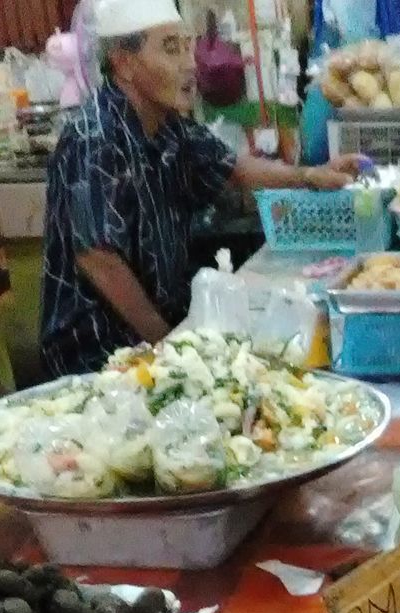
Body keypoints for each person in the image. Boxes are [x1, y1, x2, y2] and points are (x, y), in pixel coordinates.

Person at [41, 0, 364, 377]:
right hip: (95, 355)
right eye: (170, 48)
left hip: (152, 340)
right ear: (124, 63)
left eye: (186, 46)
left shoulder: (166, 123)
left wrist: (312, 176)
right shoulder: (93, 138)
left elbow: (231, 165)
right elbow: (99, 258)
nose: (190, 63)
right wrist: (170, 344)